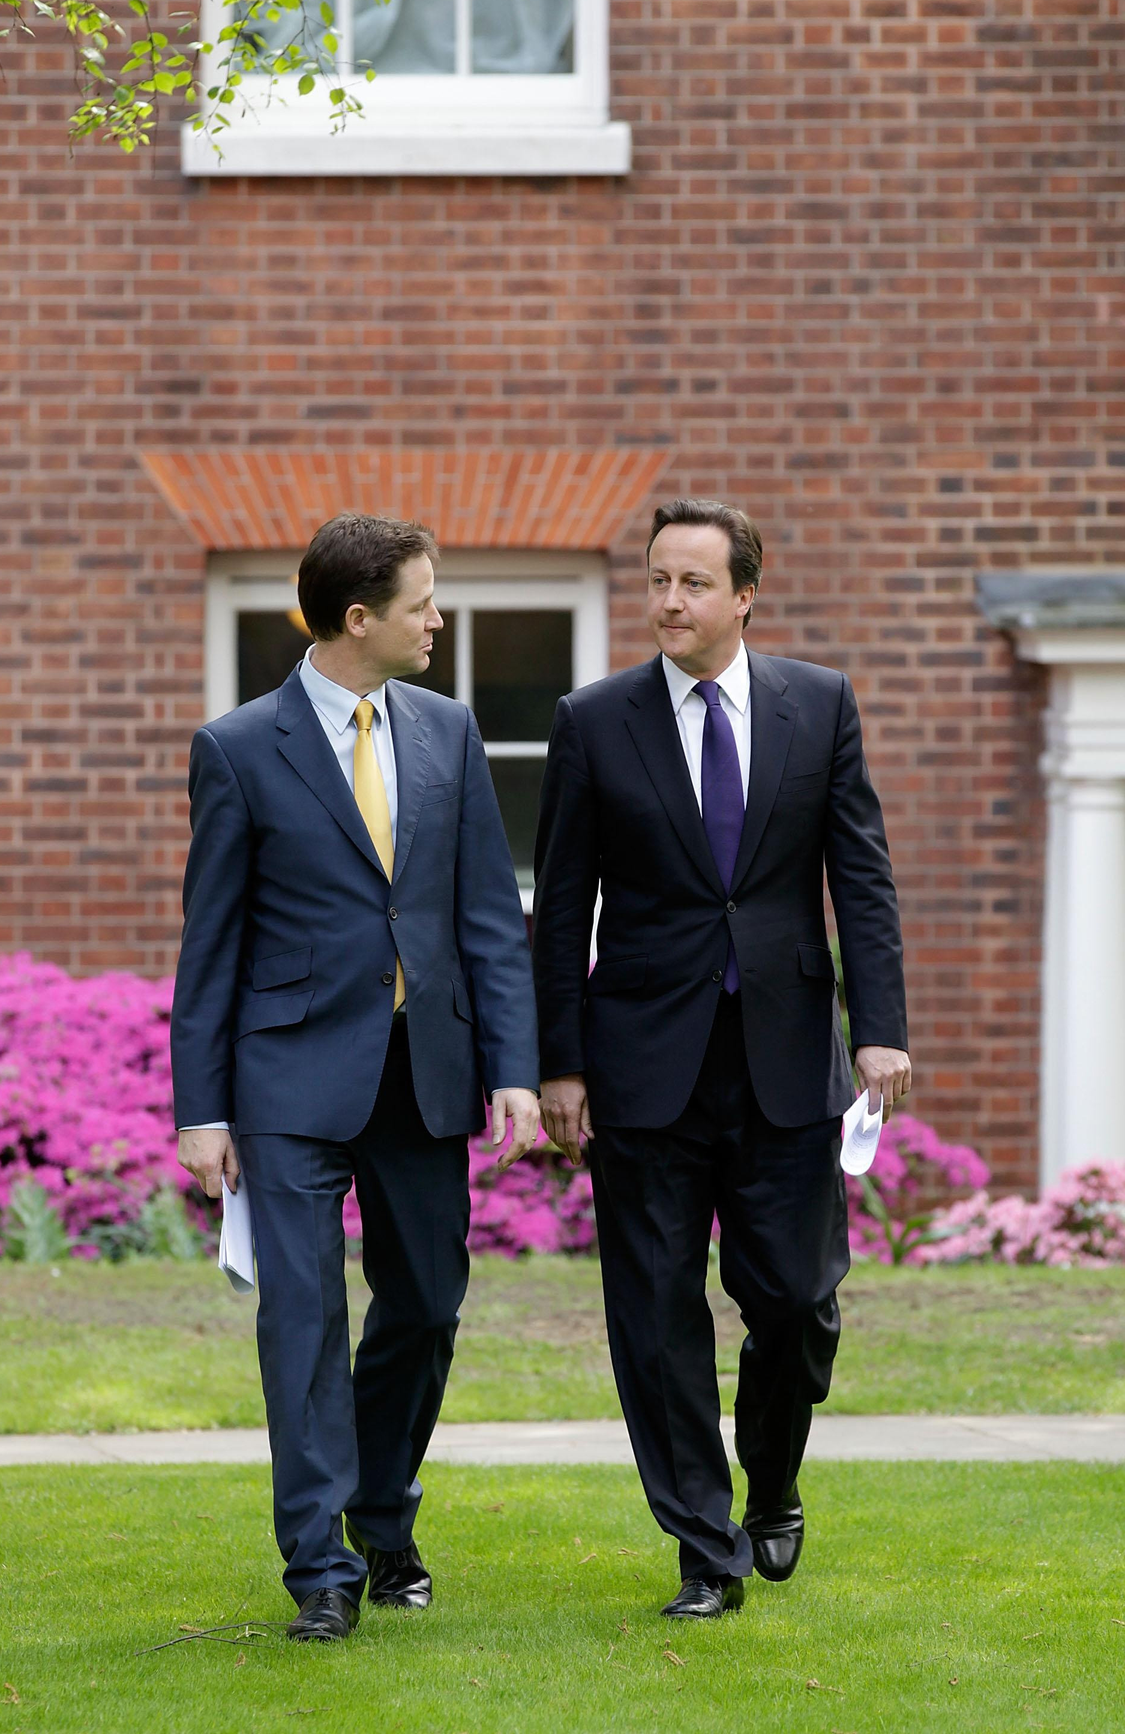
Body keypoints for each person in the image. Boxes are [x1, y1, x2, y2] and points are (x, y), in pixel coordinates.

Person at [532, 499, 910, 1620]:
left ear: (746, 592)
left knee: (794, 1299)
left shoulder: (818, 703)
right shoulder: (594, 721)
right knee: (654, 1316)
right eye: (656, 581)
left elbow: (864, 876)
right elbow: (561, 909)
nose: (669, 603)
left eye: (693, 583)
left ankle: (775, 1483)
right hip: (643, 1062)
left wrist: (879, 1027)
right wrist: (561, 1061)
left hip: (790, 1058)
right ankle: (705, 1547)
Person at [171, 513, 540, 1643]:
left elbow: (485, 915)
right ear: (358, 618)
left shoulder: (449, 730)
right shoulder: (238, 747)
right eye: (424, 602)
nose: (440, 619)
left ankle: (384, 1510)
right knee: (304, 1322)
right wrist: (203, 1108)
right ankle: (321, 1564)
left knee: (426, 1304)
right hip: (285, 1081)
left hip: (423, 1072)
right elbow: (210, 941)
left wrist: (514, 1072)